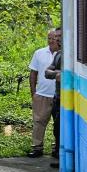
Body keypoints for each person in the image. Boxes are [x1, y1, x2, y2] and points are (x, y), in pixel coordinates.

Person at [28, 28, 61, 158]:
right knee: (39, 122)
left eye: (55, 38)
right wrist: (33, 92)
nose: (52, 40)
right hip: (42, 95)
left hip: (59, 96)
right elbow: (33, 73)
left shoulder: (63, 54)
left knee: (58, 124)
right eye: (49, 38)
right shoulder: (39, 53)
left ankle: (57, 148)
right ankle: (37, 147)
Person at [44, 27, 64, 167]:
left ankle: (63, 158)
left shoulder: (70, 55)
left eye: (59, 35)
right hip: (57, 97)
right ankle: (59, 155)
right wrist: (58, 73)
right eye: (55, 36)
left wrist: (60, 74)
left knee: (63, 129)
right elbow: (47, 72)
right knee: (57, 129)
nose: (56, 38)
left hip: (67, 98)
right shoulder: (58, 55)